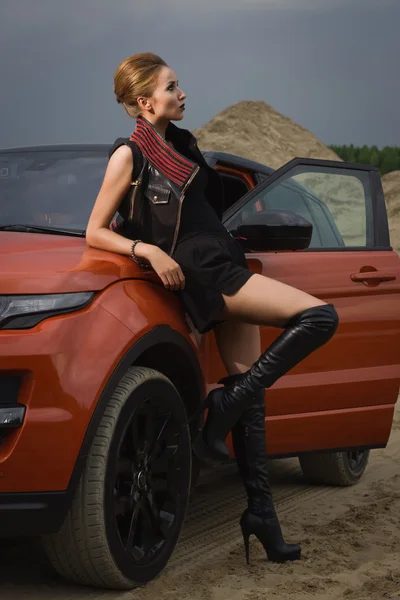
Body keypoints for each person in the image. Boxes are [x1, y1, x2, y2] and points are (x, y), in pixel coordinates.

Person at [86, 52, 339, 566]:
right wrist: (148, 250)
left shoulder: (181, 143)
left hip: (222, 254)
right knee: (319, 317)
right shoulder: (128, 155)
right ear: (144, 101)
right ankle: (219, 408)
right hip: (201, 268)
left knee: (250, 387)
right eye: (172, 86)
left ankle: (262, 515)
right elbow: (94, 230)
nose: (183, 93)